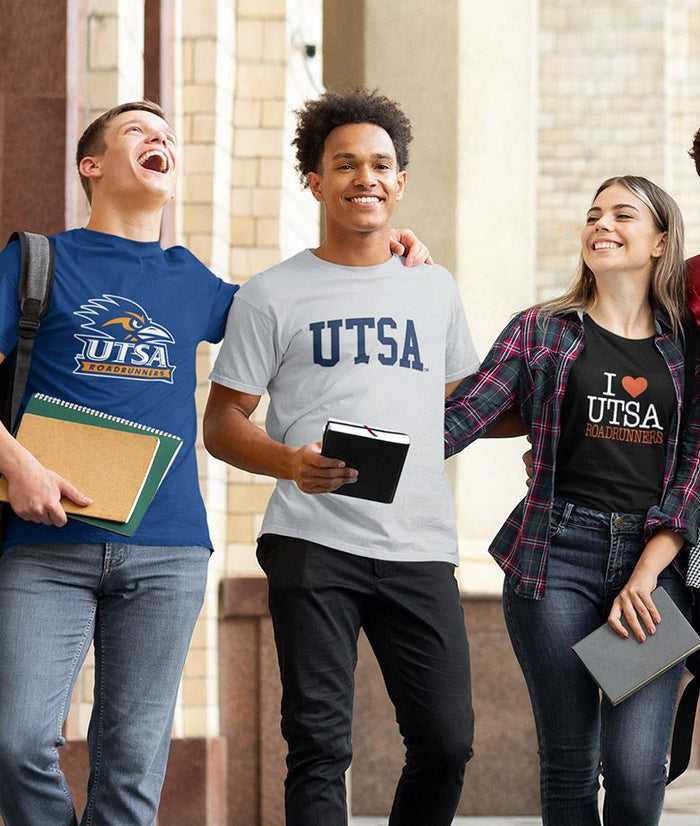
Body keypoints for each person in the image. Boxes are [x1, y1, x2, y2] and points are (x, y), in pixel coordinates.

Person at [0, 98, 432, 826]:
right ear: (92, 165)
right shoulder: (40, 259)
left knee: (132, 766)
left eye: (167, 135)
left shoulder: (190, 280)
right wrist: (19, 467)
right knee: (16, 744)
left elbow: (302, 315)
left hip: (166, 550)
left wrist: (377, 245)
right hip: (45, 545)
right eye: (138, 131)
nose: (159, 139)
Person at [203, 89, 478, 826]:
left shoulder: (433, 286)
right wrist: (291, 462)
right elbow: (222, 422)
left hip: (419, 542)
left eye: (382, 164)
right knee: (319, 746)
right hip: (311, 540)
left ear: (401, 182)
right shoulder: (271, 294)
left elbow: (462, 402)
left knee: (447, 743)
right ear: (316, 182)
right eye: (346, 164)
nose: (367, 177)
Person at [443, 175, 700, 826]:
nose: (601, 225)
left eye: (622, 214)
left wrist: (646, 573)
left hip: (654, 570)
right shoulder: (543, 330)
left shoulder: (685, 349)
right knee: (570, 762)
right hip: (555, 560)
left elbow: (695, 464)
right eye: (593, 215)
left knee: (640, 774)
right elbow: (464, 414)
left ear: (660, 241)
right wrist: (365, 433)